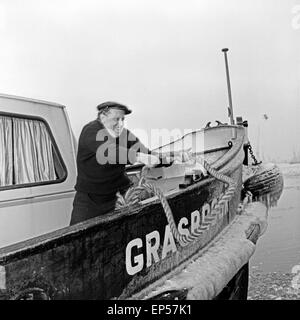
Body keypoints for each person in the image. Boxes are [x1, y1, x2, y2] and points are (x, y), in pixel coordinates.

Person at [70, 101, 161, 225]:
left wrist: (173, 157)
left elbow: (148, 153)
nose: (121, 124)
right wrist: (139, 157)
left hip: (119, 197)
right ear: (103, 117)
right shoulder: (91, 131)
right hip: (90, 201)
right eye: (116, 119)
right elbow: (108, 151)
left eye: (123, 119)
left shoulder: (124, 135)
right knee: (77, 239)